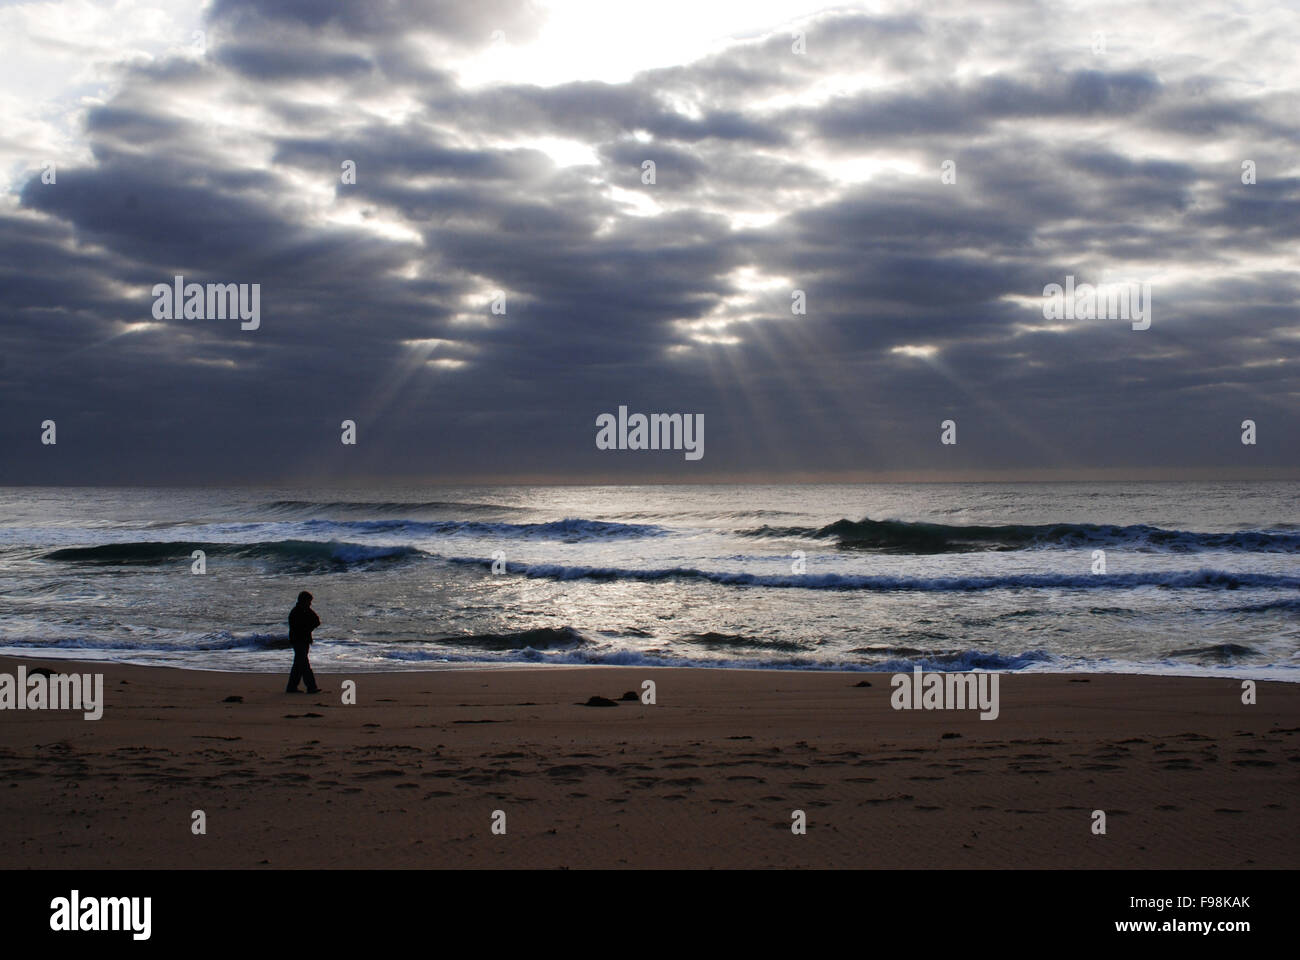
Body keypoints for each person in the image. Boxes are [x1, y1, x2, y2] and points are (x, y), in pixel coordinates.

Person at [286, 590, 323, 694]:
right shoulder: (296, 612)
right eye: (309, 601)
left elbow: (316, 621)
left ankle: (291, 687)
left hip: (303, 640)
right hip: (298, 641)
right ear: (304, 601)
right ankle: (311, 687)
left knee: (298, 664)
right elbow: (298, 628)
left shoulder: (305, 610)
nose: (310, 604)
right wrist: (308, 629)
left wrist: (308, 628)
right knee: (304, 665)